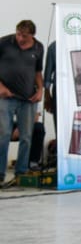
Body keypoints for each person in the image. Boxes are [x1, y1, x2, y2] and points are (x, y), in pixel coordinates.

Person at [0, 20, 45, 185]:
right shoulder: (4, 42)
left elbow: (38, 71)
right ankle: (0, 174)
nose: (20, 38)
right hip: (6, 97)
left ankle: (21, 174)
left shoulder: (39, 47)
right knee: (3, 135)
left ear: (32, 35)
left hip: (28, 99)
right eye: (18, 34)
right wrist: (1, 87)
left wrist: (40, 90)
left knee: (26, 136)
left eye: (24, 36)